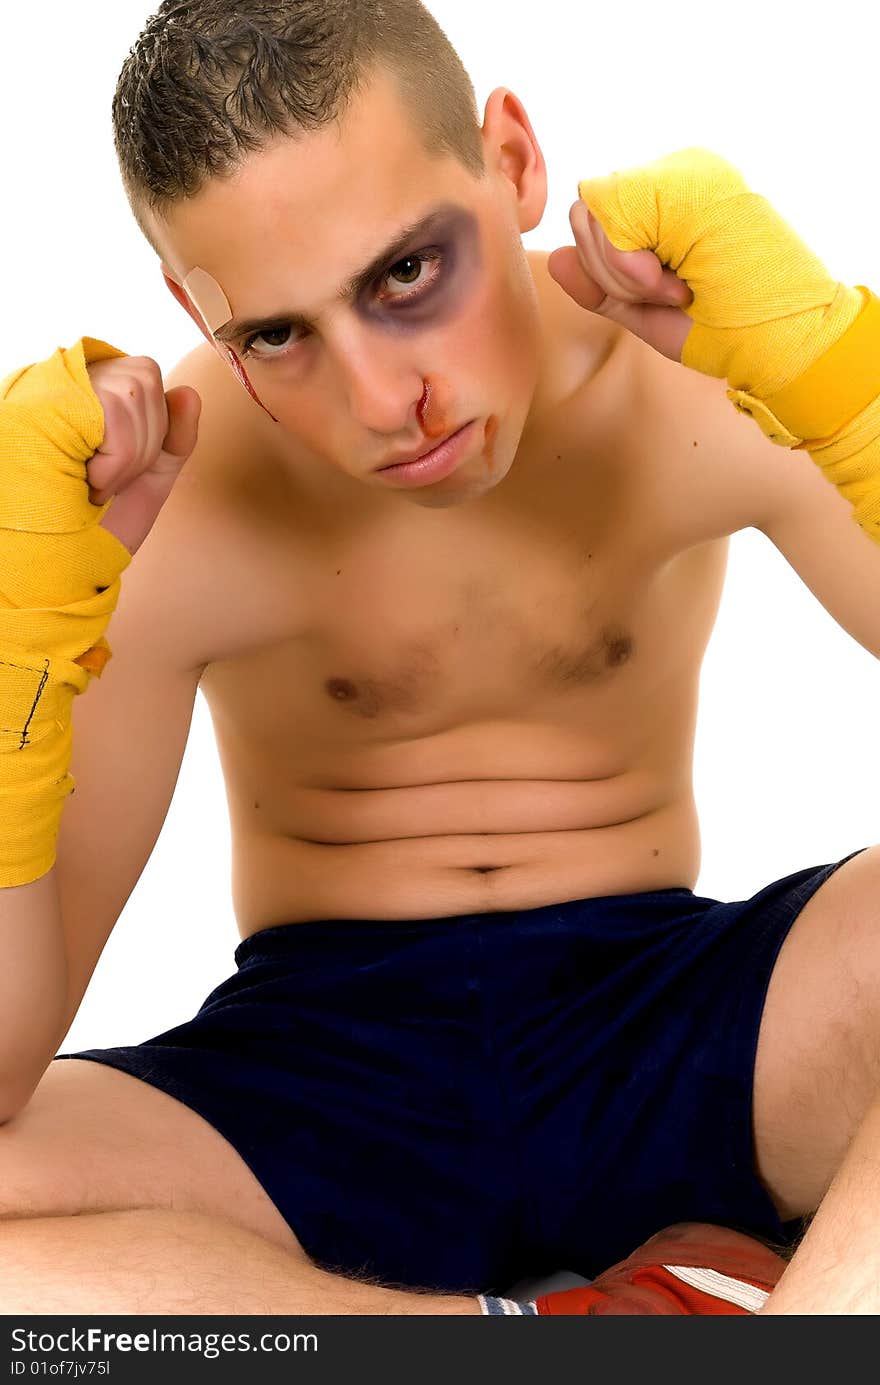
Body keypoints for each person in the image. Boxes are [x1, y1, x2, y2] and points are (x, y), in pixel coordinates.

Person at [1, 0, 879, 1317]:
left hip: (683, 1024)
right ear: (195, 307)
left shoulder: (700, 374)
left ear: (512, 162)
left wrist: (850, 388)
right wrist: (11, 641)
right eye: (278, 336)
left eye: (407, 274)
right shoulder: (166, 501)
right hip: (321, 1075)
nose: (377, 402)